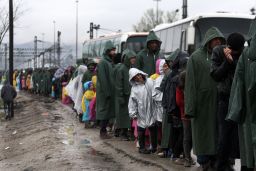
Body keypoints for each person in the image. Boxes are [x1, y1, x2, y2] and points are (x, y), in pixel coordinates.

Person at [185, 27, 226, 170]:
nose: (218, 42)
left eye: (220, 40)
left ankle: (217, 160)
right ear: (208, 41)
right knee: (203, 134)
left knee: (218, 133)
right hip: (201, 105)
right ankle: (203, 162)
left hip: (220, 102)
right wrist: (190, 108)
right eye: (215, 40)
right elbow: (189, 84)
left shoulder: (223, 56)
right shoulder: (195, 58)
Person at [210, 32, 245, 171]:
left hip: (241, 98)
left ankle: (240, 163)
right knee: (224, 134)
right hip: (225, 98)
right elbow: (215, 75)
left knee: (239, 135)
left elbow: (243, 73)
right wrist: (227, 62)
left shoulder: (245, 53)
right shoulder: (218, 52)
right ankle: (221, 165)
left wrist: (234, 61)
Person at [227, 19, 256, 171]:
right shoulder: (245, 57)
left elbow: (238, 87)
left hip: (247, 114)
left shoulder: (245, 57)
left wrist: (235, 111)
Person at [128, 68, 157, 154]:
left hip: (152, 110)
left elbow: (156, 92)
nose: (138, 77)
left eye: (138, 75)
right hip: (141, 112)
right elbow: (132, 102)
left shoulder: (150, 82)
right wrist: (133, 113)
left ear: (141, 74)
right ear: (133, 79)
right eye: (135, 77)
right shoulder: (134, 89)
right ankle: (142, 147)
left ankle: (154, 147)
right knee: (141, 129)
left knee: (153, 128)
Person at [114, 49, 137, 140]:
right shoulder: (122, 69)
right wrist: (120, 97)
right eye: (131, 58)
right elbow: (119, 84)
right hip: (123, 96)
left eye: (134, 58)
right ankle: (122, 133)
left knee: (127, 115)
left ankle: (125, 132)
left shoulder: (130, 69)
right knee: (123, 115)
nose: (133, 60)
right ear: (127, 58)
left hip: (129, 96)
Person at [96, 41, 116, 139]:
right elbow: (103, 79)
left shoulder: (108, 62)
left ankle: (104, 131)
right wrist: (107, 92)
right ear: (108, 51)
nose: (114, 52)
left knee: (107, 112)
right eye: (112, 50)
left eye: (114, 50)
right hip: (105, 92)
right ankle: (102, 132)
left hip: (109, 92)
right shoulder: (103, 62)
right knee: (104, 112)